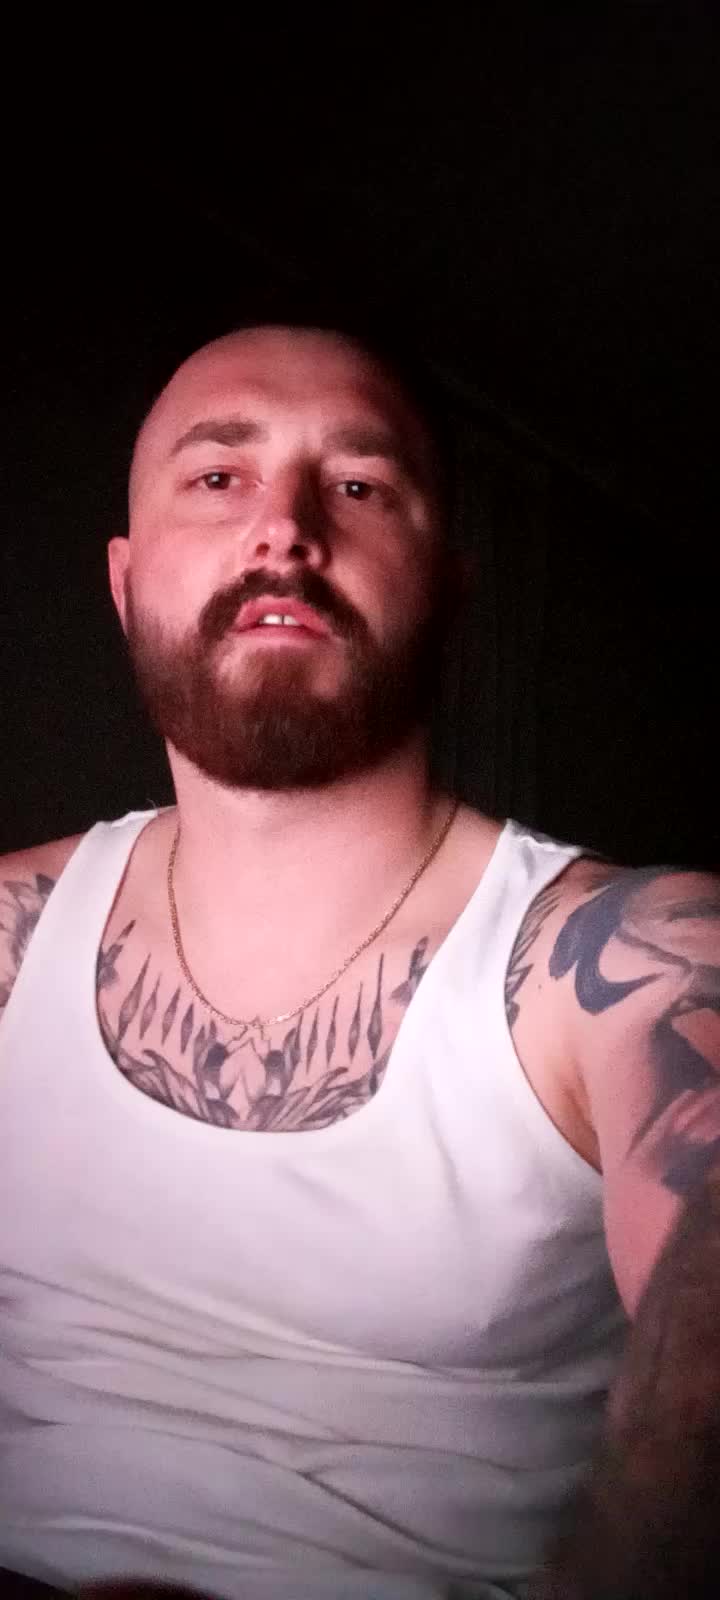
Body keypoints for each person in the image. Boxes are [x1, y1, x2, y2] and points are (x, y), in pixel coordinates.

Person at [1, 324, 719, 1600]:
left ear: (447, 586)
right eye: (217, 477)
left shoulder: (626, 959)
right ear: (125, 579)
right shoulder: (12, 934)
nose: (283, 530)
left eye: (357, 485)